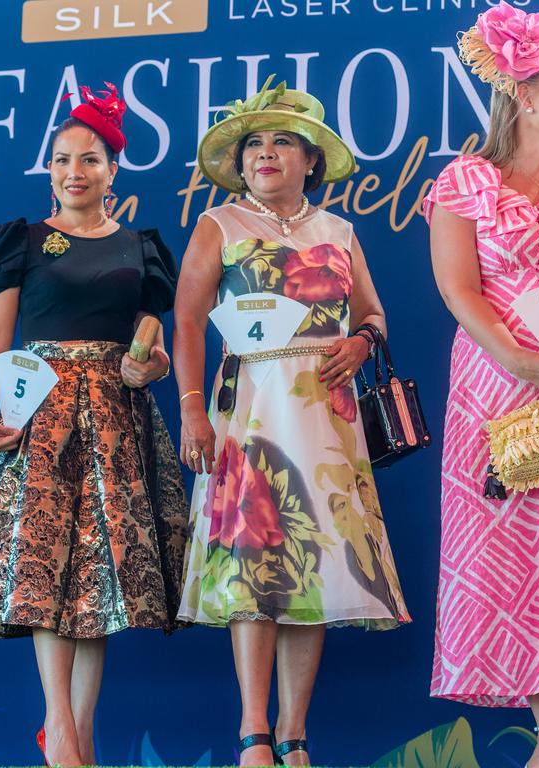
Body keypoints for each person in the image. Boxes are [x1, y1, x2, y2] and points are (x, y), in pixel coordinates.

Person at [174, 77, 410, 767]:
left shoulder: (340, 231)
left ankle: (295, 735)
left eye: (282, 142)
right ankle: (253, 734)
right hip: (248, 404)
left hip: (326, 414)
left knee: (318, 572)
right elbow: (187, 318)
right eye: (253, 144)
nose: (265, 153)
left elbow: (373, 314)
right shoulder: (219, 224)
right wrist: (193, 407)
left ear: (312, 159)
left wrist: (362, 342)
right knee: (254, 561)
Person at [0, 84, 187, 766]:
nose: (73, 172)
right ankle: (57, 726)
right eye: (61, 160)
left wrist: (151, 367)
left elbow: (154, 347)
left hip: (116, 421)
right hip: (43, 415)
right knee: (41, 571)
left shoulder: (143, 249)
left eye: (88, 159)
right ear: (50, 169)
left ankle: (79, 735)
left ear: (113, 170)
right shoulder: (22, 242)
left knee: (97, 578)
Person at [425, 5, 539, 768]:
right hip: (495, 391)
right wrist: (521, 361)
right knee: (516, 555)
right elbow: (460, 291)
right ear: (526, 95)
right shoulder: (464, 181)